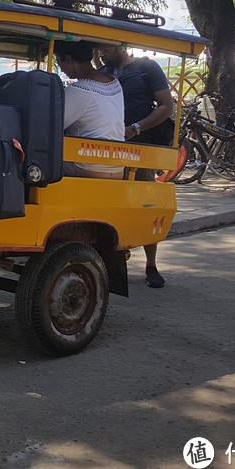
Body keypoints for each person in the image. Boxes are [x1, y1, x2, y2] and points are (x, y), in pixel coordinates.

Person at [97, 44, 175, 288]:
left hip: (140, 151)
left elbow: (166, 106)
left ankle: (151, 265)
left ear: (121, 45)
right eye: (99, 48)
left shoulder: (146, 68)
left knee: (146, 207)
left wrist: (136, 128)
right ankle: (109, 263)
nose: (102, 51)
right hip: (105, 150)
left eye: (106, 47)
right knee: (108, 207)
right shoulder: (101, 72)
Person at [57, 42, 125, 179]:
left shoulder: (78, 89)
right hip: (118, 168)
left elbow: (53, 126)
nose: (61, 69)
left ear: (69, 59)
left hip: (86, 168)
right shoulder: (114, 82)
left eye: (59, 62)